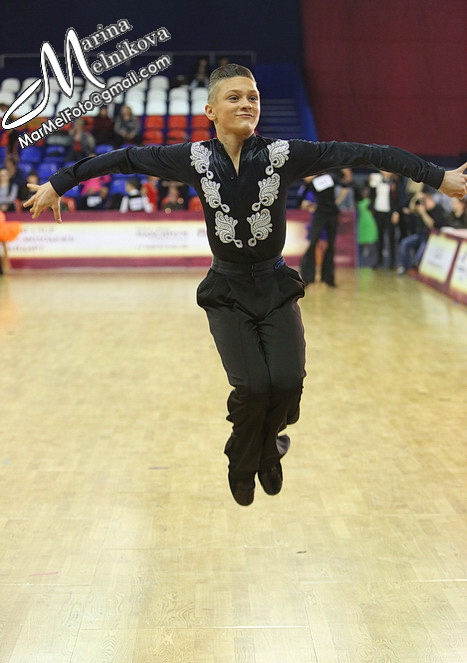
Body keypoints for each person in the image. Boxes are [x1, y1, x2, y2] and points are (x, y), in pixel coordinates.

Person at [23, 64, 467, 506]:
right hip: (227, 292)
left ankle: (267, 446)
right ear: (210, 111)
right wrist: (60, 183)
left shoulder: (283, 154)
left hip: (275, 287)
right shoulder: (192, 159)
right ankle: (244, 460)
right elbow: (123, 159)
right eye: (234, 97)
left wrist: (437, 177)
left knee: (288, 384)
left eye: (253, 97)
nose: (246, 104)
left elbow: (368, 153)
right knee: (253, 387)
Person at [299, 171, 349, 287]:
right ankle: (307, 278)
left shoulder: (329, 176)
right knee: (313, 244)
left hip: (331, 214)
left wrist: (337, 201)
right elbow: (301, 202)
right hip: (320, 214)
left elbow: (345, 185)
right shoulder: (309, 184)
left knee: (330, 245)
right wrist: (309, 205)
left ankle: (328, 278)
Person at [396, 191, 449, 274]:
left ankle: (414, 267)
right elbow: (411, 208)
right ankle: (403, 266)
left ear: (430, 199)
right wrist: (415, 198)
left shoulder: (438, 209)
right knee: (404, 243)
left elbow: (431, 224)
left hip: (431, 238)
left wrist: (423, 213)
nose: (423, 203)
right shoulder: (423, 208)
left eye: (425, 201)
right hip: (420, 235)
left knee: (422, 248)